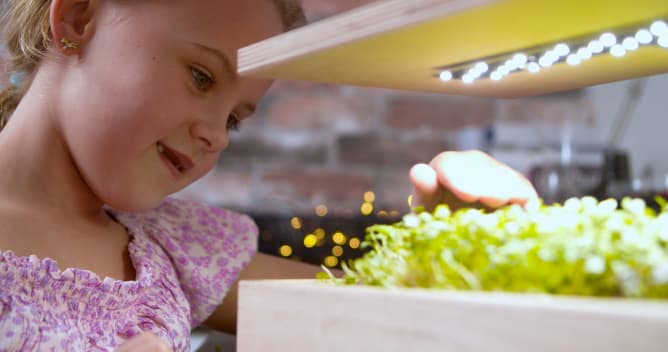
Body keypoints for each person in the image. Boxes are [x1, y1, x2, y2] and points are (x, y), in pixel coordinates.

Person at [0, 0, 538, 350]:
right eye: (201, 76)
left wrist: (445, 239)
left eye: (236, 118)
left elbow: (370, 315)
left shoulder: (169, 246)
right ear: (77, 19)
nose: (218, 135)